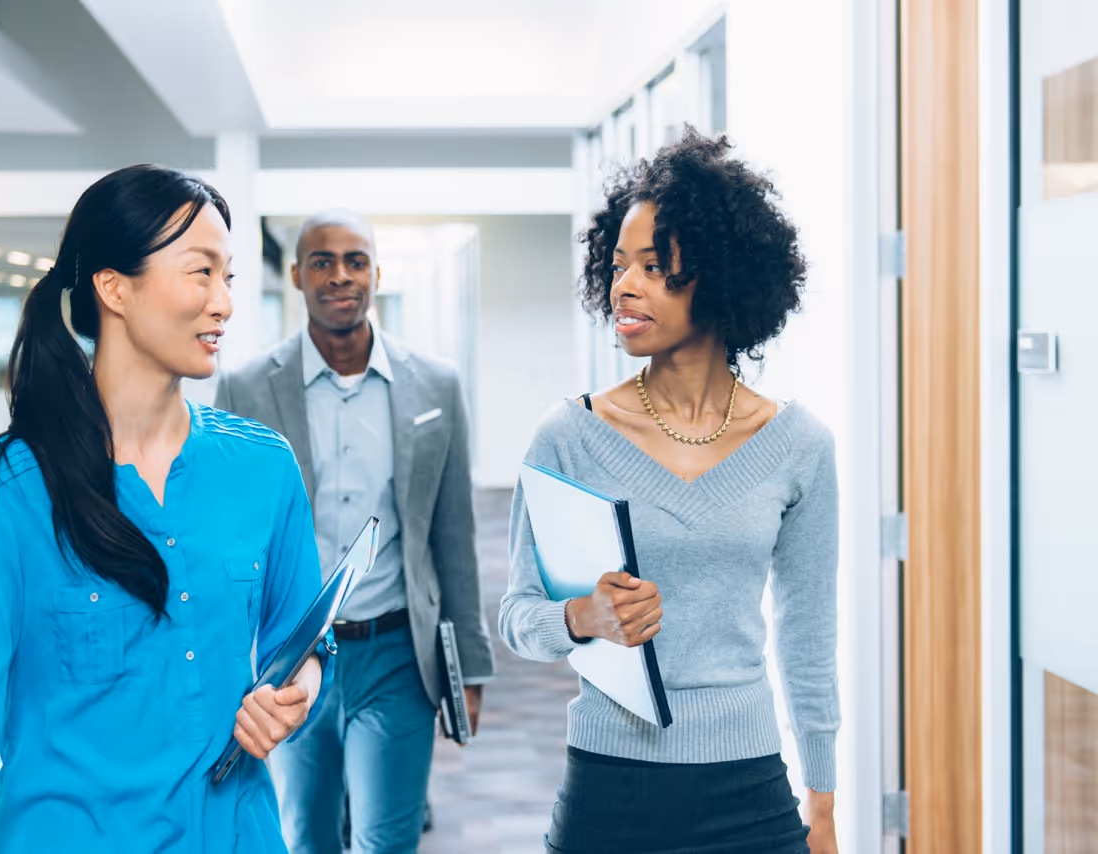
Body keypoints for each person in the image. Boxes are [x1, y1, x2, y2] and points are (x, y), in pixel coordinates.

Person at [0, 165, 333, 854]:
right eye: (201, 273)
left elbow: (305, 640)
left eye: (229, 277)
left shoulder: (263, 467)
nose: (223, 303)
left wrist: (294, 695)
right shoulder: (5, 489)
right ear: (114, 288)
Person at [500, 129, 840, 854]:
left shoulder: (799, 447)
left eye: (655, 268)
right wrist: (584, 616)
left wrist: (824, 803)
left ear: (720, 277)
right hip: (609, 788)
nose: (625, 286)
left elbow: (808, 641)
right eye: (619, 265)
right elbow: (517, 617)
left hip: (750, 789)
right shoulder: (569, 435)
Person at [215, 210, 495, 854]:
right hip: (288, 659)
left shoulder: (437, 385)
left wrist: (470, 669)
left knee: (386, 839)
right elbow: (228, 542)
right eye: (322, 262)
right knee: (303, 835)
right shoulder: (245, 388)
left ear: (375, 272)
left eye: (355, 261)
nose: (340, 276)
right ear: (296, 275)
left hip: (397, 651)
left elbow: (453, 535)